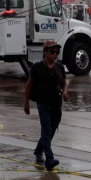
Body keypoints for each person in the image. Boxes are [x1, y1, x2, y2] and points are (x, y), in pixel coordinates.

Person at [24, 39, 69, 171]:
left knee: (50, 131)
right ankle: (49, 159)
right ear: (44, 52)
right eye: (52, 51)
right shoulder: (36, 67)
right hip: (43, 104)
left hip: (56, 105)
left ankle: (38, 151)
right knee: (47, 130)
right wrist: (26, 103)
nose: (55, 54)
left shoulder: (60, 67)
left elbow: (64, 83)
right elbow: (29, 85)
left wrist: (65, 93)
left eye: (57, 51)